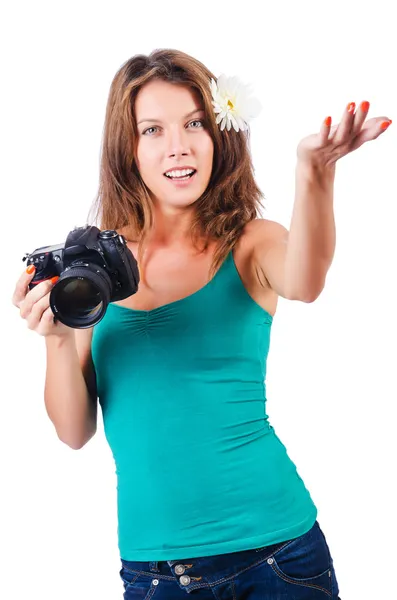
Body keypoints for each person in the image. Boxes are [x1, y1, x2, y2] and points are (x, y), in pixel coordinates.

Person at [12, 48, 391, 599]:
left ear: (219, 135)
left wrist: (316, 171)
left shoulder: (252, 241)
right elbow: (74, 432)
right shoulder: (94, 270)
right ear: (129, 149)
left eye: (194, 124)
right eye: (153, 129)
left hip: (278, 556)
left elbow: (307, 282)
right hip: (156, 573)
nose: (178, 146)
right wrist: (53, 338)